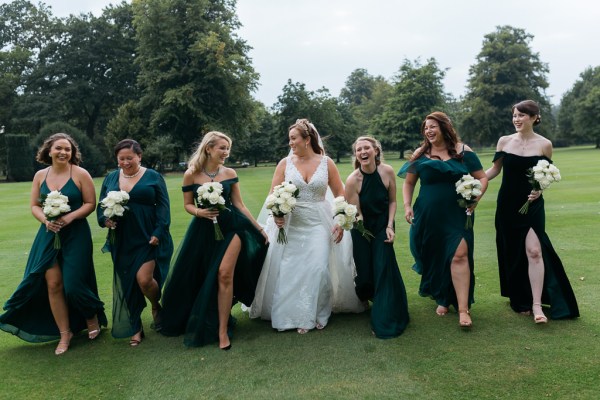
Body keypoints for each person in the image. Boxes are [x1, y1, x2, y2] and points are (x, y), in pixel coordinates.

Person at [249, 119, 365, 334]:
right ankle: (288, 315)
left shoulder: (326, 163)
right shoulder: (285, 163)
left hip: (319, 223)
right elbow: (272, 195)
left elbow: (340, 194)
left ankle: (318, 312)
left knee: (318, 268)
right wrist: (277, 214)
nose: (290, 143)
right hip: (291, 225)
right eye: (290, 139)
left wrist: (340, 221)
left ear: (307, 139)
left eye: (294, 138)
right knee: (289, 270)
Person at [159, 131, 268, 350]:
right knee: (200, 275)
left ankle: (222, 331)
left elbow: (238, 204)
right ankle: (209, 317)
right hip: (203, 229)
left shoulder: (229, 173)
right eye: (222, 148)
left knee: (224, 273)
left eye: (228, 148)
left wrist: (259, 228)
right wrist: (200, 213)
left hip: (233, 227)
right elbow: (188, 204)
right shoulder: (191, 174)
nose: (226, 153)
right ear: (208, 148)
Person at [0, 133, 107, 355]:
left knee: (74, 283)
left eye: (68, 149)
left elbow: (90, 203)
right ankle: (64, 333)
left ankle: (90, 315)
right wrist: (45, 221)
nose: (63, 152)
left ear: (72, 153)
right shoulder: (40, 175)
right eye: (59, 148)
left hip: (76, 234)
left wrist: (70, 217)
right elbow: (34, 206)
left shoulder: (80, 174)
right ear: (49, 151)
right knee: (53, 284)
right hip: (48, 235)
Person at [485, 100, 579, 323]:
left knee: (535, 251)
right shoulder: (504, 141)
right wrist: (475, 182)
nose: (516, 119)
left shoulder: (545, 144)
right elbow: (495, 170)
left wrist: (540, 190)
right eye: (514, 115)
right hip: (507, 205)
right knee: (513, 253)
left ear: (534, 117)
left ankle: (537, 306)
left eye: (522, 115)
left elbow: (546, 174)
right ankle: (520, 299)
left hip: (532, 205)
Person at [398, 112, 488, 328]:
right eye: (426, 127)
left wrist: (476, 197)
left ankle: (463, 309)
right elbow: (409, 183)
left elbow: (482, 177)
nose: (428, 131)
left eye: (433, 126)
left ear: (444, 127)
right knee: (436, 256)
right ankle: (442, 297)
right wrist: (407, 205)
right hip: (428, 215)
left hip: (458, 212)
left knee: (460, 254)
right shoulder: (421, 154)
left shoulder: (463, 151)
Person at [97, 139, 174, 346]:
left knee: (144, 280)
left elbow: (163, 207)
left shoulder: (153, 177)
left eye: (129, 158)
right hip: (121, 238)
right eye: (121, 159)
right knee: (127, 281)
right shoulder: (111, 178)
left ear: (139, 156)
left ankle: (155, 304)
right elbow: (100, 206)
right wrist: (105, 220)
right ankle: (136, 327)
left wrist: (159, 231)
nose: (125, 162)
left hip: (147, 236)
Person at [345, 136, 409, 338]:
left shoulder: (387, 171)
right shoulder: (352, 180)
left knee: (383, 269)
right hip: (361, 228)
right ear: (356, 155)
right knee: (365, 275)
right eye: (358, 150)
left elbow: (392, 202)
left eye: (366, 148)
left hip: (383, 226)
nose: (363, 152)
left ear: (376, 151)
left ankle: (384, 320)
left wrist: (390, 226)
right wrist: (363, 229)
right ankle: (365, 295)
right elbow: (357, 213)